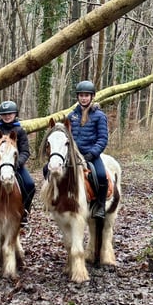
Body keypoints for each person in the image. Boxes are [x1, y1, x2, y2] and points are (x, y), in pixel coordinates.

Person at [67, 80, 109, 218]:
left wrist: (93, 153)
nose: (84, 98)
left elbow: (103, 139)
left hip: (91, 154)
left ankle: (100, 206)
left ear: (92, 96)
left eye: (86, 95)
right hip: (73, 154)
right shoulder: (71, 116)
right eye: (81, 95)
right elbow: (66, 136)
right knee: (49, 170)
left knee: (101, 176)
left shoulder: (99, 116)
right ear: (77, 97)